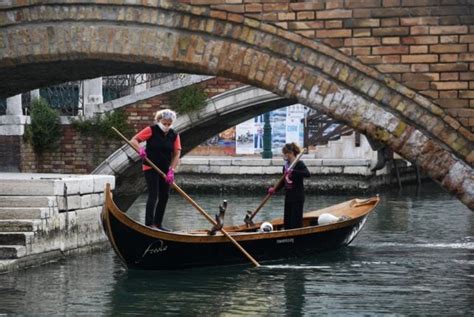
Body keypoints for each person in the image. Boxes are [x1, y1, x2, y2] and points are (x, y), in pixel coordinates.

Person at [131, 109, 181, 231]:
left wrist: (172, 170)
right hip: (150, 166)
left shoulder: (174, 135)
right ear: (159, 121)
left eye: (169, 124)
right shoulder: (151, 130)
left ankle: (158, 224)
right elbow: (134, 141)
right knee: (154, 194)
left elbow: (176, 153)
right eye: (164, 123)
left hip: (165, 170)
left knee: (165, 196)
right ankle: (149, 224)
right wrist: (141, 151)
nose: (167, 126)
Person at [268, 143, 310, 230]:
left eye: (286, 153)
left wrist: (293, 171)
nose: (284, 155)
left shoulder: (299, 164)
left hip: (297, 196)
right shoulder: (286, 166)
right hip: (288, 196)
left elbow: (307, 174)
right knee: (287, 222)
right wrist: (275, 189)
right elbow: (283, 181)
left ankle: (297, 239)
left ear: (291, 153)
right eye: (284, 153)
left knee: (295, 222)